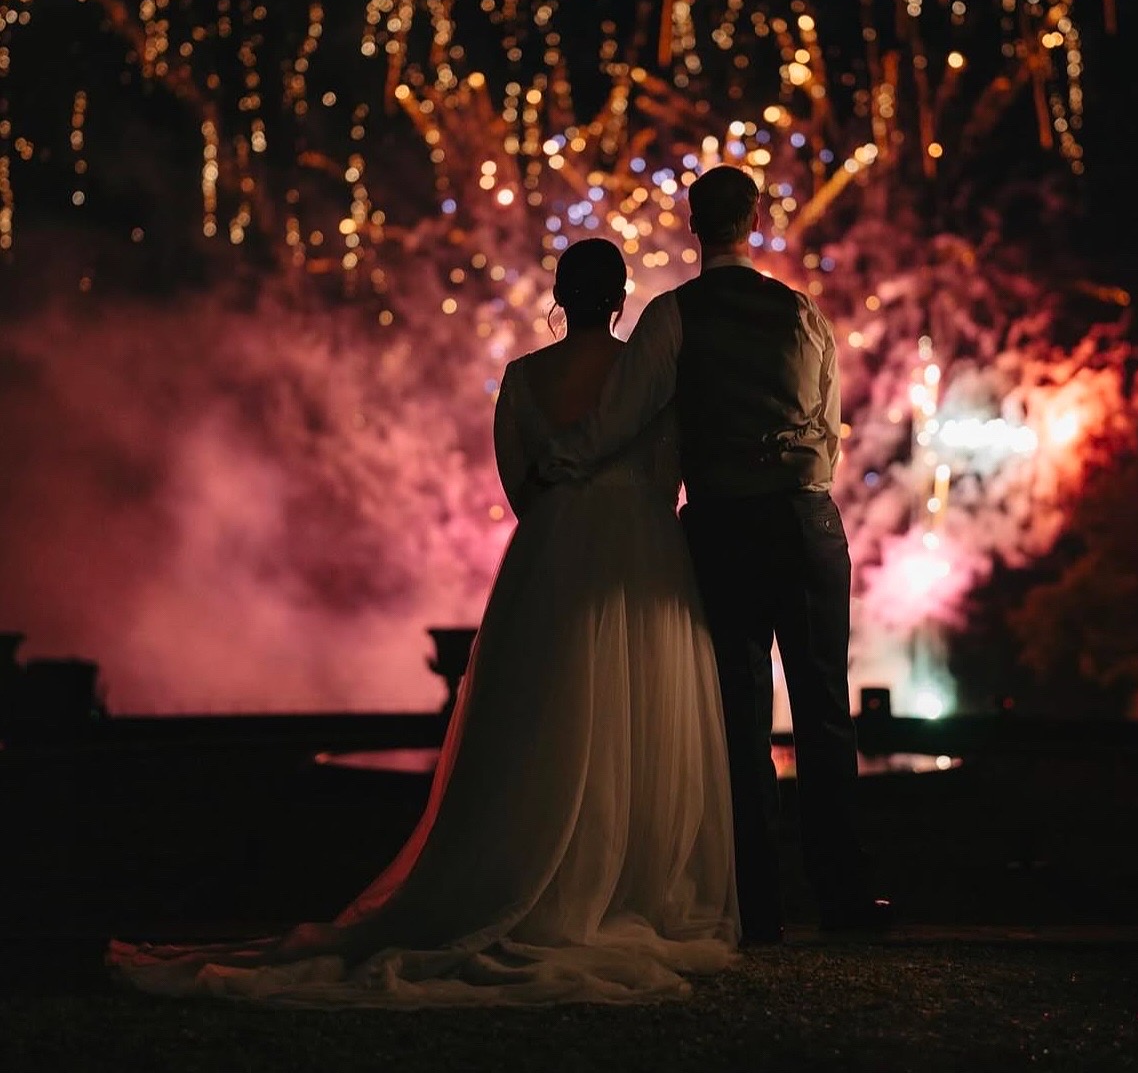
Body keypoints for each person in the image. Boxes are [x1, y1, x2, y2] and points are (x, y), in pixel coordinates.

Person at [108, 237, 738, 1006]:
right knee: (639, 715)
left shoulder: (521, 377)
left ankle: (533, 872)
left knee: (545, 714)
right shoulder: (649, 381)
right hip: (640, 549)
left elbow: (519, 480)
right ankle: (626, 883)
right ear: (619, 299)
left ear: (560, 294)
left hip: (549, 551)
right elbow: (669, 468)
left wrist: (560, 522)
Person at [539, 165, 889, 944]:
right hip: (804, 520)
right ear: (755, 220)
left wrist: (562, 460)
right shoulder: (799, 311)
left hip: (724, 525)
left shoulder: (673, 316)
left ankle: (756, 905)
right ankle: (843, 898)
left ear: (693, 225)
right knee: (825, 712)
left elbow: (622, 416)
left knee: (739, 717)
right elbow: (827, 426)